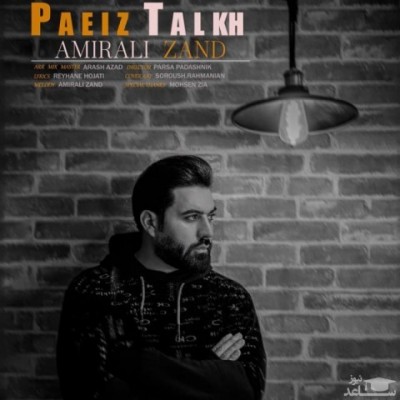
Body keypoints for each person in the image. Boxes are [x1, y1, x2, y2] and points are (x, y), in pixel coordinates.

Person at [57, 155, 266, 400]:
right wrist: (208, 373)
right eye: (191, 217)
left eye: (210, 216)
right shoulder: (95, 291)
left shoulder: (230, 298)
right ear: (150, 223)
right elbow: (86, 392)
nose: (207, 231)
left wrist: (137, 363)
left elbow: (247, 390)